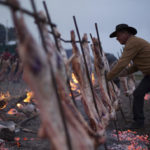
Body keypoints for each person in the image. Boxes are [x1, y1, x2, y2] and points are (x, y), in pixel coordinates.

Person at [107, 24, 150, 129]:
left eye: (118, 36)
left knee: (138, 93)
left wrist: (107, 77)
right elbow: (137, 65)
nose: (117, 39)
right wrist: (125, 73)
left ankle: (139, 122)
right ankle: (139, 122)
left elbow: (122, 62)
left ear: (125, 33)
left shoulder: (132, 43)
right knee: (138, 93)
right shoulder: (135, 42)